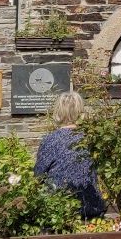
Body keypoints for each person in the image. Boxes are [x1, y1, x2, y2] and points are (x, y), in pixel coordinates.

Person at [33, 91, 105, 220]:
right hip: (92, 206)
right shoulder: (92, 139)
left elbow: (38, 175)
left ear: (58, 111)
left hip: (60, 209)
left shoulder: (51, 140)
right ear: (80, 111)